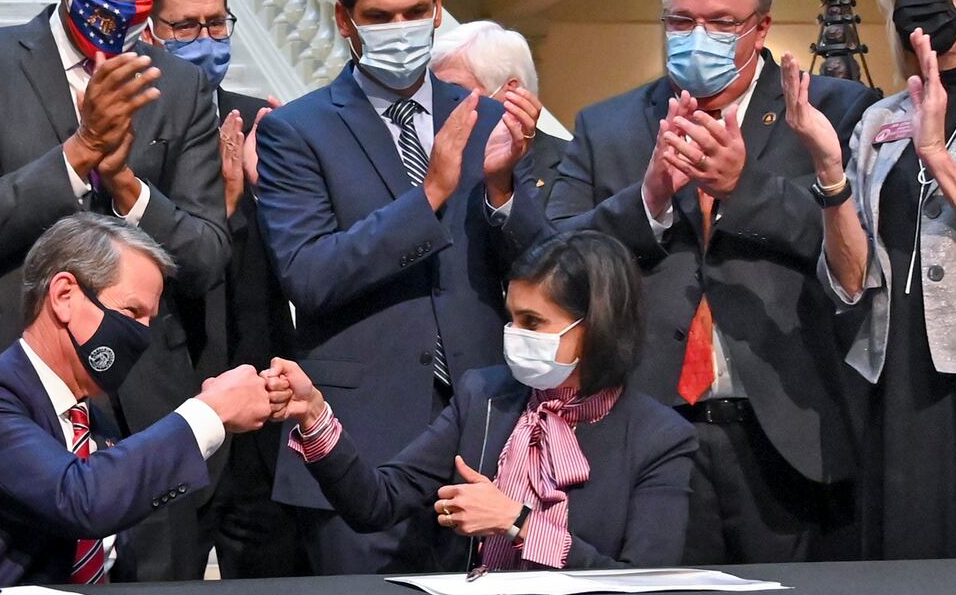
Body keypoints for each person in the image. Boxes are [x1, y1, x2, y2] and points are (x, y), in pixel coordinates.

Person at [545, 0, 877, 565]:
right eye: (681, 21)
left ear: (762, 28)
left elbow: (858, 253)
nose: (698, 37)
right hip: (651, 431)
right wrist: (647, 200)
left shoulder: (836, 109)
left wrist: (743, 188)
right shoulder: (606, 125)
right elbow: (554, 265)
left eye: (722, 23)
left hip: (790, 427)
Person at [0, 0, 228, 581]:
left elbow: (207, 253)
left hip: (146, 389)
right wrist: (78, 153)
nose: (124, 6)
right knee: (15, 591)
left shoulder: (180, 86)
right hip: (16, 369)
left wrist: (126, 186)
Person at [253, 0, 546, 574]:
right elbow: (309, 274)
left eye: (414, 11)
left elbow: (542, 274)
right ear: (345, 20)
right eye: (380, 16)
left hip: (483, 438)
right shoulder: (297, 130)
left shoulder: (486, 117)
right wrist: (431, 193)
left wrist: (503, 190)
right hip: (359, 443)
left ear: (437, 7)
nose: (400, 28)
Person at [267, 232, 696, 569]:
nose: (515, 335)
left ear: (597, 325)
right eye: (512, 319)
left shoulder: (659, 437)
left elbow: (643, 583)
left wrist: (517, 522)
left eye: (533, 322)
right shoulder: (484, 397)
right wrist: (315, 416)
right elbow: (377, 503)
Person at [0, 214, 278, 588]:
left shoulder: (99, 427)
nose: (142, 336)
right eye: (132, 312)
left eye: (150, 320)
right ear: (64, 296)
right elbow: (79, 499)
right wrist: (211, 411)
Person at [789, 0, 956, 559]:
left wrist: (937, 155)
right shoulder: (884, 116)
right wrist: (830, 172)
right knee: (906, 564)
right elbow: (851, 281)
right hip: (896, 372)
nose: (912, 2)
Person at [145, 0, 304, 578]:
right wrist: (223, 208)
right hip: (170, 408)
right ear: (150, 30)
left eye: (216, 24)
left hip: (263, 408)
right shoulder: (127, 126)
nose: (206, 40)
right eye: (186, 27)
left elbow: (303, 260)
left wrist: (272, 193)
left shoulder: (263, 118)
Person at [431, 21, 568, 205]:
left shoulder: (571, 167)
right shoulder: (431, 160)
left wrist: (500, 188)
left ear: (512, 93)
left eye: (454, 89)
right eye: (436, 90)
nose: (440, 101)